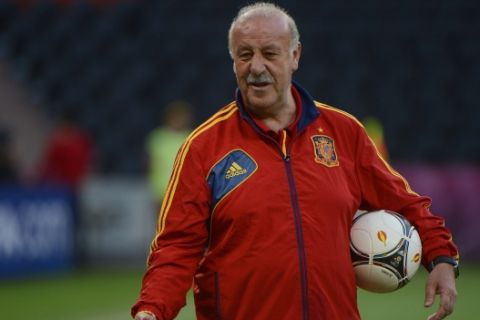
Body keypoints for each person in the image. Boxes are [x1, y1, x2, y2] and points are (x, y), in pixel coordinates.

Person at [132, 3, 459, 320]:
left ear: (295, 56)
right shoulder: (204, 147)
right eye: (244, 55)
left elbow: (407, 204)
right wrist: (152, 309)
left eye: (270, 53)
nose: (256, 67)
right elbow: (176, 249)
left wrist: (442, 258)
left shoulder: (343, 132)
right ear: (233, 62)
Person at [146, 100, 193, 207]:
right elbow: (149, 162)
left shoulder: (191, 137)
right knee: (160, 222)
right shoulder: (157, 137)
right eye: (176, 117)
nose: (179, 120)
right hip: (160, 190)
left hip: (183, 190)